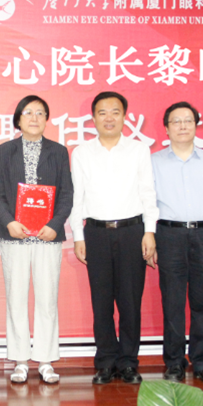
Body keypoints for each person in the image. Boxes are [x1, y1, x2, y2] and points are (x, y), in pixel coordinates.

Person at [70, 91, 159, 385]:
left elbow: (148, 193)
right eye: (103, 112)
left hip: (132, 232)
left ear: (124, 116)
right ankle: (106, 362)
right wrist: (78, 236)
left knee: (130, 301)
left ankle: (129, 362)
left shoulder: (138, 150)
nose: (109, 118)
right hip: (96, 233)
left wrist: (149, 231)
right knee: (102, 301)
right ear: (93, 118)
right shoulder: (82, 153)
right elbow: (77, 198)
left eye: (115, 112)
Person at [0, 95, 73, 384]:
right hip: (14, 235)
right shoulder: (5, 151)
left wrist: (54, 224)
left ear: (47, 119)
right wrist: (9, 221)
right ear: (18, 119)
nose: (34, 118)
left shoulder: (58, 152)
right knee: (16, 298)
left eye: (40, 112)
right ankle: (20, 360)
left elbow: (66, 194)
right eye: (28, 112)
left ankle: (46, 360)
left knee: (47, 299)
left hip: (48, 236)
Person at [151, 101, 203, 384]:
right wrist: (150, 237)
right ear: (166, 128)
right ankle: (174, 362)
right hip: (169, 235)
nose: (182, 125)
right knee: (172, 301)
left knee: (202, 301)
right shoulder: (154, 161)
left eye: (188, 120)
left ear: (196, 125)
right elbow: (147, 202)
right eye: (176, 121)